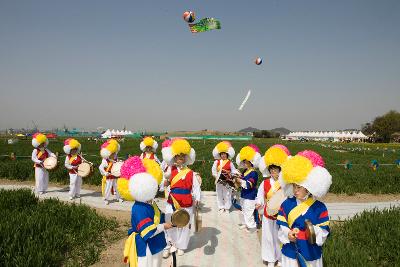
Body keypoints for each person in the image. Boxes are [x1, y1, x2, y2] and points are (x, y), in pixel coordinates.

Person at [277, 150, 332, 267]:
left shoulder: (320, 208)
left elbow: (324, 232)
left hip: (311, 253)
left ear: (309, 187)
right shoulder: (286, 204)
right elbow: (282, 226)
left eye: (299, 187)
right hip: (291, 252)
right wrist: (288, 234)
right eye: (293, 186)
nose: (295, 190)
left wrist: (312, 231)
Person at [123, 156, 173, 267]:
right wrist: (164, 226)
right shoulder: (139, 208)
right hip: (146, 247)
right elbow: (148, 231)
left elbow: (159, 216)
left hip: (155, 244)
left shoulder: (149, 203)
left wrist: (172, 217)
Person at [161, 138, 201, 257]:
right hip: (172, 200)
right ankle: (169, 244)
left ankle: (181, 246)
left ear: (186, 158)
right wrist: (165, 183)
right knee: (169, 221)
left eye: (183, 156)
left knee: (184, 224)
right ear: (174, 158)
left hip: (186, 201)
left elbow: (196, 187)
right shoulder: (170, 170)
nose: (181, 158)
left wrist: (197, 198)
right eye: (178, 156)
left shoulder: (190, 172)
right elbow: (164, 184)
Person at [256, 145, 291, 267]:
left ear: (280, 170)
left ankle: (280, 258)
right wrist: (259, 203)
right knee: (268, 237)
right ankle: (270, 258)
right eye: (271, 170)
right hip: (267, 214)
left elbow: (287, 197)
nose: (273, 172)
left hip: (281, 215)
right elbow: (260, 196)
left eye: (276, 170)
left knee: (280, 236)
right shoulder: (264, 182)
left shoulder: (284, 184)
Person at [235, 144, 261, 233]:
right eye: (244, 161)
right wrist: (238, 177)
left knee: (249, 211)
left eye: (246, 162)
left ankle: (252, 226)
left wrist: (240, 180)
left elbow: (249, 185)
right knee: (243, 209)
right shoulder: (245, 171)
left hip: (250, 195)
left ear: (251, 162)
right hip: (243, 194)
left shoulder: (254, 173)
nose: (244, 163)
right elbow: (242, 180)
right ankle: (245, 224)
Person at [211, 141, 238, 213]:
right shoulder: (216, 162)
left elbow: (233, 171)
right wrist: (217, 177)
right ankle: (221, 207)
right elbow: (213, 171)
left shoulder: (230, 162)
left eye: (224, 154)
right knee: (219, 193)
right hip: (219, 181)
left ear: (227, 154)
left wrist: (232, 174)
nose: (223, 155)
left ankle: (227, 207)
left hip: (227, 182)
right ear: (220, 155)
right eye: (222, 154)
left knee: (227, 194)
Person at [99, 139, 123, 205]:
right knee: (108, 187)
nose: (114, 154)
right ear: (108, 153)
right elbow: (100, 167)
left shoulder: (115, 158)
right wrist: (105, 173)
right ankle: (105, 198)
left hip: (115, 175)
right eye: (112, 153)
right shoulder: (105, 161)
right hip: (109, 176)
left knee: (117, 187)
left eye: (114, 153)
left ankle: (118, 197)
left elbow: (117, 165)